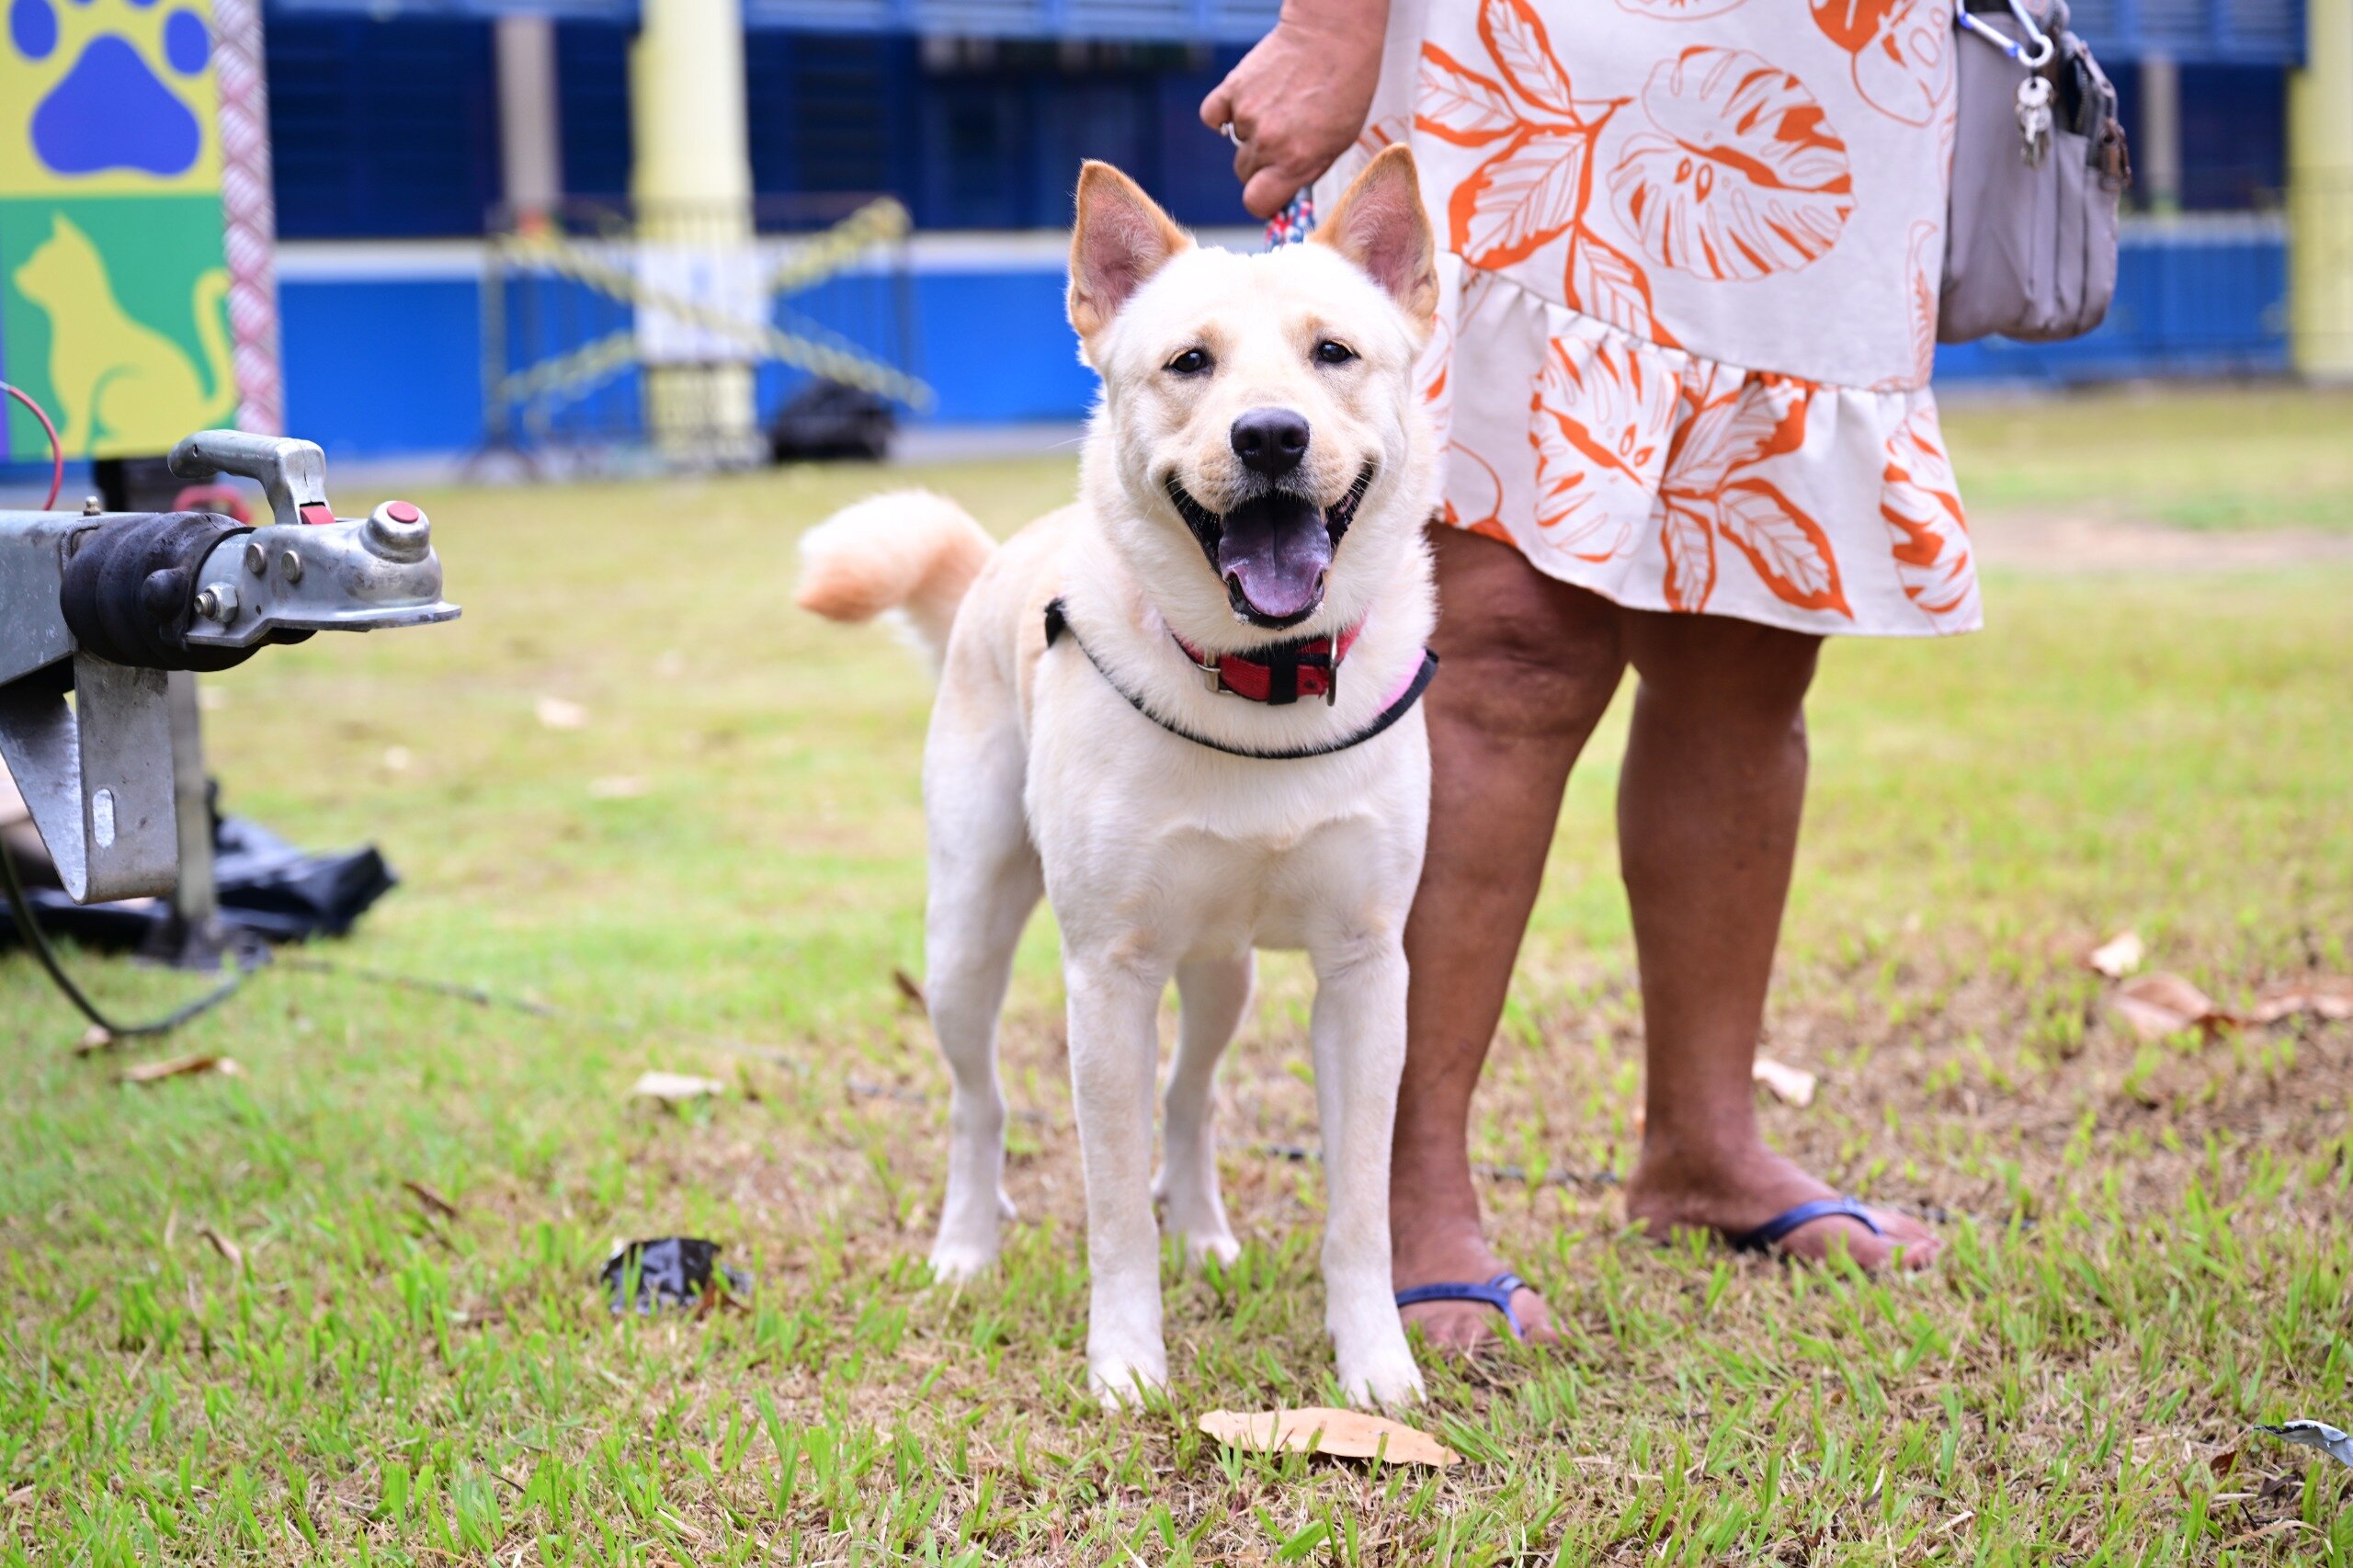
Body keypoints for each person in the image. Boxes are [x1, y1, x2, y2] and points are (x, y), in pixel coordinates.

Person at [1205, 0, 1968, 1347]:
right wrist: (1332, 23)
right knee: (1506, 637)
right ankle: (1406, 1186)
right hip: (1549, 48)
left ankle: (1705, 1145)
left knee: (1749, 633)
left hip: (1825, 60)